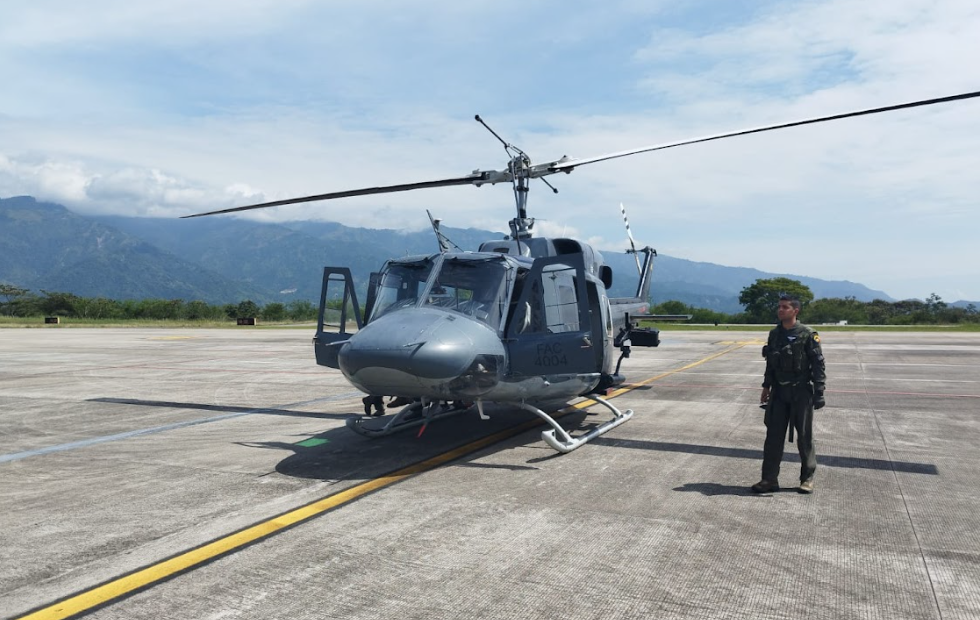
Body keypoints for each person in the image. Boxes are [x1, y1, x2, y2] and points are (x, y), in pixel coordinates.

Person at [752, 294, 826, 494]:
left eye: (785, 307)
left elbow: (818, 364)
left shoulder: (808, 334)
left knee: (804, 437)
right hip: (779, 393)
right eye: (779, 307)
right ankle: (769, 479)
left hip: (801, 392)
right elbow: (770, 363)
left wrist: (819, 391)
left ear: (795, 311)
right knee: (773, 437)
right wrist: (766, 387)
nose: (780, 310)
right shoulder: (774, 334)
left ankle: (807, 478)